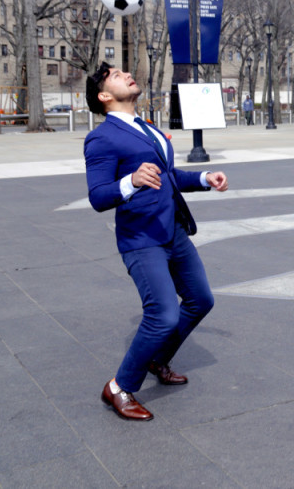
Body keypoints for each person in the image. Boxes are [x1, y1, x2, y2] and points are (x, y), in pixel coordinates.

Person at [84, 62, 228, 421]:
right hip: (141, 238)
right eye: (116, 76)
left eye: (124, 72)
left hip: (173, 231)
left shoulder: (147, 129)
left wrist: (205, 178)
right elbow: (98, 196)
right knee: (162, 315)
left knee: (200, 300)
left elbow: (169, 175)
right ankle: (118, 387)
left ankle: (157, 359)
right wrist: (130, 181)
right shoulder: (102, 138)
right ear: (104, 96)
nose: (126, 75)